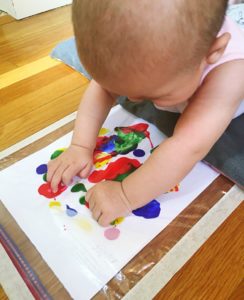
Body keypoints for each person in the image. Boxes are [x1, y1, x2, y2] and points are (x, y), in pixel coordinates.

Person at [47, 0, 244, 226]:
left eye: (157, 95)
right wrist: (80, 146)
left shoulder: (229, 74)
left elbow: (188, 146)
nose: (131, 100)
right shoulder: (163, 58)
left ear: (212, 52)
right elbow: (102, 87)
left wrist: (125, 195)